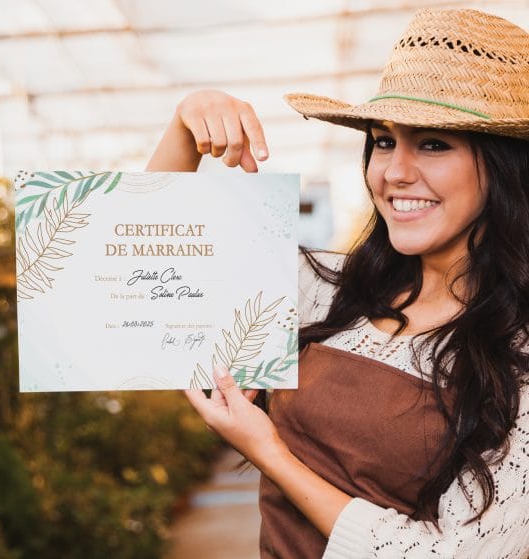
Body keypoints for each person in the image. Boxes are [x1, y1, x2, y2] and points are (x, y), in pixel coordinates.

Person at [146, 7, 529, 558]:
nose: (394, 172)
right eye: (382, 140)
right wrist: (185, 128)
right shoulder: (332, 290)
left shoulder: (514, 352)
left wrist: (269, 451)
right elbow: (130, 278)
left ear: (503, 167)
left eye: (434, 144)